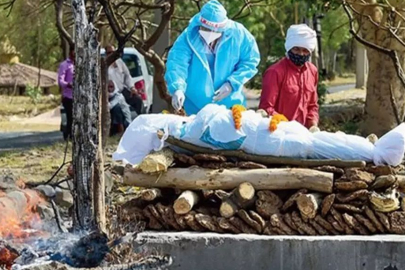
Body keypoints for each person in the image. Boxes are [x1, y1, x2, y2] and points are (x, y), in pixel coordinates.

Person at [165, 0, 260, 115]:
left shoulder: (239, 34)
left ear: (223, 28)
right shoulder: (189, 37)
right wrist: (178, 88)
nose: (210, 33)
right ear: (200, 24)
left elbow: (250, 61)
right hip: (196, 105)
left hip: (230, 103)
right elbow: (177, 63)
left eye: (214, 30)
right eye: (205, 29)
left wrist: (232, 83)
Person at [259, 24, 319, 130]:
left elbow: (312, 105)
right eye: (296, 49)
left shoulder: (312, 71)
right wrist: (286, 125)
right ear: (289, 48)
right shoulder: (275, 72)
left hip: (305, 134)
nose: (301, 54)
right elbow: (266, 108)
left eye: (305, 50)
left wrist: (313, 124)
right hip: (280, 133)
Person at [105, 45, 144, 115]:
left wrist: (132, 88)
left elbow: (127, 76)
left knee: (137, 100)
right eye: (109, 53)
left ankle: (138, 120)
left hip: (122, 90)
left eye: (113, 52)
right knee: (117, 109)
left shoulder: (120, 62)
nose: (111, 54)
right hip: (110, 93)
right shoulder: (104, 64)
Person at [58, 44, 75, 140]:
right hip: (69, 97)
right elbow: (60, 81)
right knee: (70, 118)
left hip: (80, 97)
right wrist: (68, 84)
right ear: (71, 52)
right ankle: (69, 137)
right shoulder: (64, 65)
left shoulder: (81, 64)